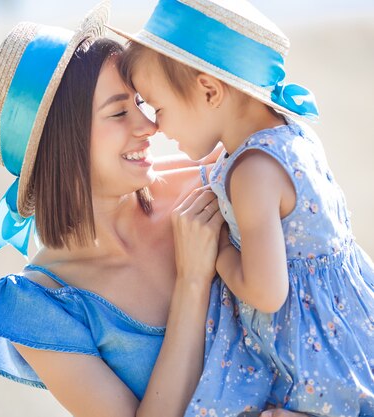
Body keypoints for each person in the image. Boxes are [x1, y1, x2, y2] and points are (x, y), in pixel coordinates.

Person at [0, 2, 312, 417]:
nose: (150, 127)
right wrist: (192, 284)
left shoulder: (214, 181)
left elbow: (332, 289)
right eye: (119, 112)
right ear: (63, 144)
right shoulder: (40, 306)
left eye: (141, 105)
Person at [110, 0, 374, 416]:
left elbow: (267, 293)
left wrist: (219, 254)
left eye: (158, 108)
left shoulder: (251, 173)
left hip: (315, 358)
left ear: (210, 90)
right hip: (351, 328)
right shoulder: (292, 135)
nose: (157, 127)